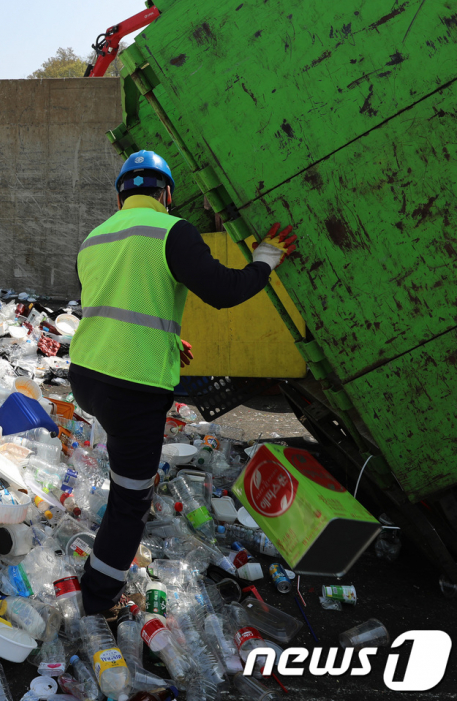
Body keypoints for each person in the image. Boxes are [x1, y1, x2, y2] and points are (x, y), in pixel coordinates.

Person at [69, 150, 298, 615]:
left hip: (87, 378)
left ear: (120, 197)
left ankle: (107, 538)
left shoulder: (93, 239)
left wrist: (167, 341)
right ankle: (98, 600)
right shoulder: (172, 230)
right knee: (131, 501)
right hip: (131, 391)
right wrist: (266, 259)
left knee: (125, 471)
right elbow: (226, 291)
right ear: (167, 194)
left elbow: (113, 306)